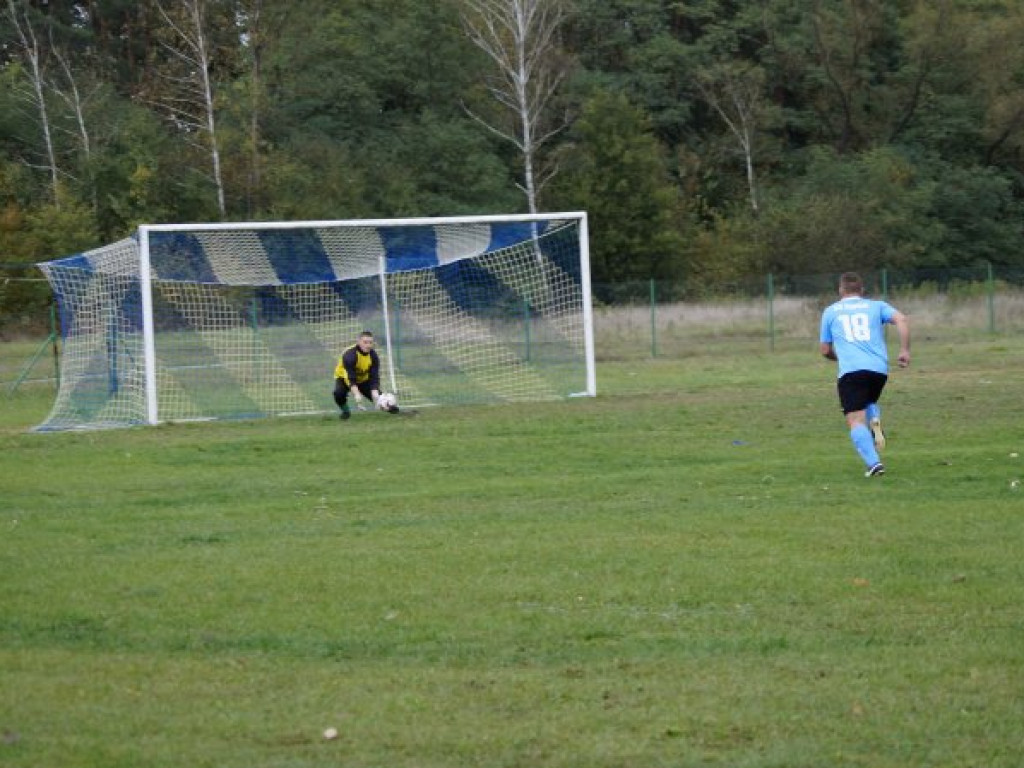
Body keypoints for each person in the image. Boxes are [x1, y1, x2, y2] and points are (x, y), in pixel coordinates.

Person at [819, 272, 910, 477]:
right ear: (862, 291)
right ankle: (874, 420)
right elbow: (902, 319)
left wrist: (839, 357)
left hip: (852, 371)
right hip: (878, 370)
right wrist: (904, 350)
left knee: (855, 420)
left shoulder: (831, 311)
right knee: (867, 400)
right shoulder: (876, 306)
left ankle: (874, 464)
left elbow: (825, 350)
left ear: (840, 290)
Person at [333, 331, 398, 419]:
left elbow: (374, 376)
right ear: (359, 342)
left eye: (370, 342)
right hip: (344, 378)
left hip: (363, 379)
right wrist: (357, 395)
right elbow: (351, 378)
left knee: (383, 402)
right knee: (338, 393)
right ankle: (345, 411)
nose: (368, 345)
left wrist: (375, 394)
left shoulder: (373, 356)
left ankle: (396, 411)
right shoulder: (350, 355)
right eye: (365, 342)